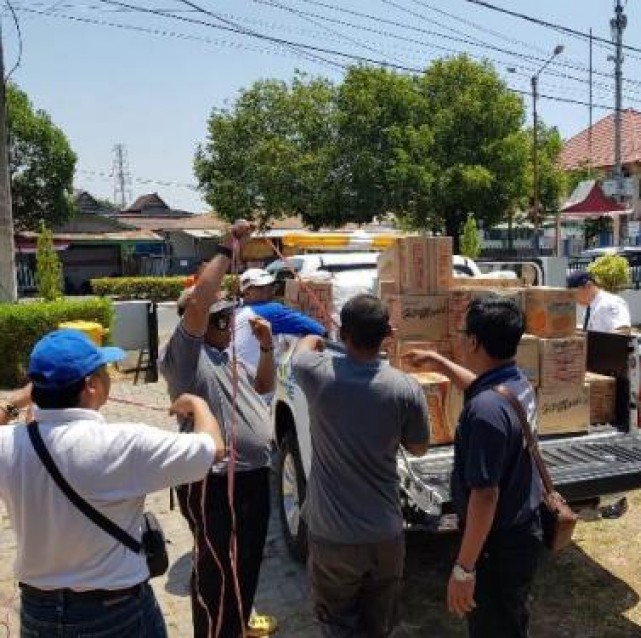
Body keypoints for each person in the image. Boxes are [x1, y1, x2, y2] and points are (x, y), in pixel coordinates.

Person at [0, 329, 223, 637]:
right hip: (115, 612)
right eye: (103, 370)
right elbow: (212, 448)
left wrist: (13, 403)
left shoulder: (8, 444)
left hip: (39, 613)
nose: (109, 376)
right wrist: (199, 405)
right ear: (91, 386)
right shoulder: (123, 443)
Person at [160, 221, 277, 638]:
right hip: (213, 482)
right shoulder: (185, 357)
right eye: (222, 319)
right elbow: (199, 304)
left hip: (253, 476)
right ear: (201, 321)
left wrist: (265, 348)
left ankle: (237, 626)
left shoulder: (228, 357)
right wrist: (229, 247)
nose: (231, 325)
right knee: (215, 570)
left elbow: (264, 387)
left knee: (245, 563)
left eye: (231, 318)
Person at [291, 294, 430, 638]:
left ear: (344, 334)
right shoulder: (406, 388)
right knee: (379, 624)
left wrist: (319, 334)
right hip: (384, 534)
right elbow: (419, 447)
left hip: (332, 538)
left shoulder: (317, 375)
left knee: (337, 624)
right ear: (388, 333)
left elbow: (302, 349)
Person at [404, 296, 544, 638]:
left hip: (497, 547)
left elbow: (485, 496)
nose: (461, 338)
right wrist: (438, 361)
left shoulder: (484, 413)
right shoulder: (516, 384)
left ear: (475, 342)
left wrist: (464, 569)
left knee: (493, 627)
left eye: (465, 333)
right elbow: (479, 385)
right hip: (523, 531)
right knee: (512, 620)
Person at [234, 267, 326, 386]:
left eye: (270, 287)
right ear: (247, 292)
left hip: (236, 383)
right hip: (257, 389)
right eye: (262, 288)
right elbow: (318, 330)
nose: (270, 291)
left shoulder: (236, 310)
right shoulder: (271, 310)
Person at [567, 270, 632, 334]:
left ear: (588, 286)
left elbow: (624, 331)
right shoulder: (589, 308)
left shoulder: (612, 302)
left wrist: (601, 340)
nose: (574, 298)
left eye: (575, 293)